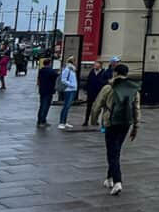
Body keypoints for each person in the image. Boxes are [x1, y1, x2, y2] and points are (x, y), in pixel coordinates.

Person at [90, 64, 141, 196]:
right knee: (116, 150)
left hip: (111, 122)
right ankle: (109, 178)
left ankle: (118, 181)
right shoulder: (133, 89)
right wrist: (136, 126)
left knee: (112, 152)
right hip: (125, 123)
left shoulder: (108, 88)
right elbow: (136, 109)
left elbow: (97, 105)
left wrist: (93, 120)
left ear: (115, 73)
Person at [82, 61, 109, 127]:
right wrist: (86, 89)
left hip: (99, 92)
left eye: (96, 64)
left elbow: (106, 82)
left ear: (100, 65)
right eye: (94, 64)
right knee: (89, 107)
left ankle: (95, 120)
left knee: (98, 107)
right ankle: (86, 120)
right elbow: (88, 80)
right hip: (91, 92)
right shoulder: (92, 71)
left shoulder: (103, 72)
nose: (95, 66)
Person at [57, 57, 78, 129]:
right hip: (68, 90)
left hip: (73, 90)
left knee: (68, 106)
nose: (76, 62)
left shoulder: (73, 70)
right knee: (66, 106)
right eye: (74, 61)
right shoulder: (67, 69)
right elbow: (63, 80)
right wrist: (72, 85)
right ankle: (61, 122)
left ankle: (65, 122)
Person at [36, 58, 58, 127]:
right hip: (49, 90)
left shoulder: (41, 70)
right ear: (49, 64)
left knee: (42, 105)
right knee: (46, 106)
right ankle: (43, 121)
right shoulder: (51, 71)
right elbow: (56, 77)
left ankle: (39, 120)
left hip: (42, 90)